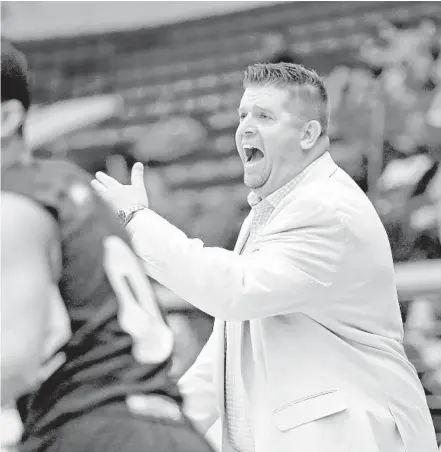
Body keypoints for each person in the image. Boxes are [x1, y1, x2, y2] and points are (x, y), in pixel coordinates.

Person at [92, 62, 438, 452]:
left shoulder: (325, 208)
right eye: (243, 115)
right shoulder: (278, 208)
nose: (245, 127)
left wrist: (135, 220)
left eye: (265, 116)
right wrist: (152, 425)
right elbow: (226, 352)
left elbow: (233, 292)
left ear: (308, 133)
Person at [0, 40, 214, 452]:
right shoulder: (70, 186)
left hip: (93, 429)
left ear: (7, 116)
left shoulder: (17, 198)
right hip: (172, 431)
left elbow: (12, 361)